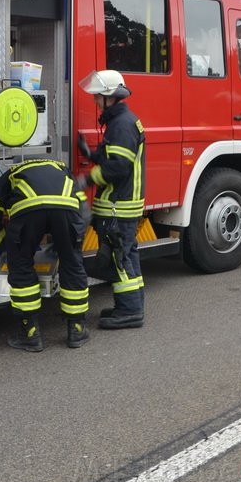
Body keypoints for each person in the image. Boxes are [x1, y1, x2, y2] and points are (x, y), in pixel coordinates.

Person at [0, 159, 90, 351]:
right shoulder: (64, 170)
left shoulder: (11, 174)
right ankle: (77, 330)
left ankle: (29, 334)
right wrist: (68, 242)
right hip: (66, 211)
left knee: (21, 266)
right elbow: (85, 212)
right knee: (73, 265)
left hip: (27, 212)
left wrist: (5, 245)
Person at [77, 69, 146, 329]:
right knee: (128, 256)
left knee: (119, 259)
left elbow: (117, 167)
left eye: (97, 97)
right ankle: (132, 306)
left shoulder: (122, 125)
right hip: (124, 206)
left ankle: (129, 312)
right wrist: (92, 154)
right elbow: (113, 157)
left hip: (119, 206)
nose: (95, 101)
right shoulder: (122, 122)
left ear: (110, 97)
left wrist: (87, 179)